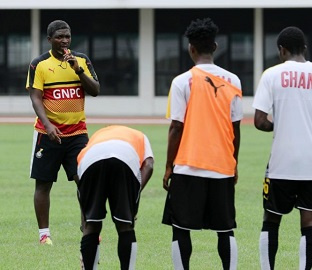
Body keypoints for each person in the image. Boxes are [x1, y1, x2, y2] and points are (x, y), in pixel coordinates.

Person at [253, 26, 312, 270]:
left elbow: (260, 121)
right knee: (310, 221)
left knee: (271, 219)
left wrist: (281, 121)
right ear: (305, 48)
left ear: (281, 50)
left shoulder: (271, 75)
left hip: (282, 161)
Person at [162, 18, 242, 270]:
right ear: (215, 46)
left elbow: (176, 126)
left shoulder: (181, 81)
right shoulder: (234, 81)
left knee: (180, 228)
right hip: (222, 167)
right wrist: (234, 163)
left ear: (191, 49)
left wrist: (168, 167)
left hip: (188, 166)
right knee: (225, 229)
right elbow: (235, 128)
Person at [26, 20, 100, 245]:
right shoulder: (39, 64)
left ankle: (87, 227)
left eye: (67, 36)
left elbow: (95, 90)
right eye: (60, 37)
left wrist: (78, 70)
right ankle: (44, 235)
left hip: (77, 133)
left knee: (84, 181)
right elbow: (35, 97)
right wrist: (48, 125)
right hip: (48, 134)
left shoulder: (82, 60)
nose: (65, 41)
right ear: (50, 40)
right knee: (43, 183)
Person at [76, 125, 154, 269]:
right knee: (125, 226)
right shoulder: (140, 136)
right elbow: (149, 165)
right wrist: (133, 195)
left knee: (92, 225)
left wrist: (85, 226)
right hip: (124, 158)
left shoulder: (95, 138)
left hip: (89, 162)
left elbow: (82, 195)